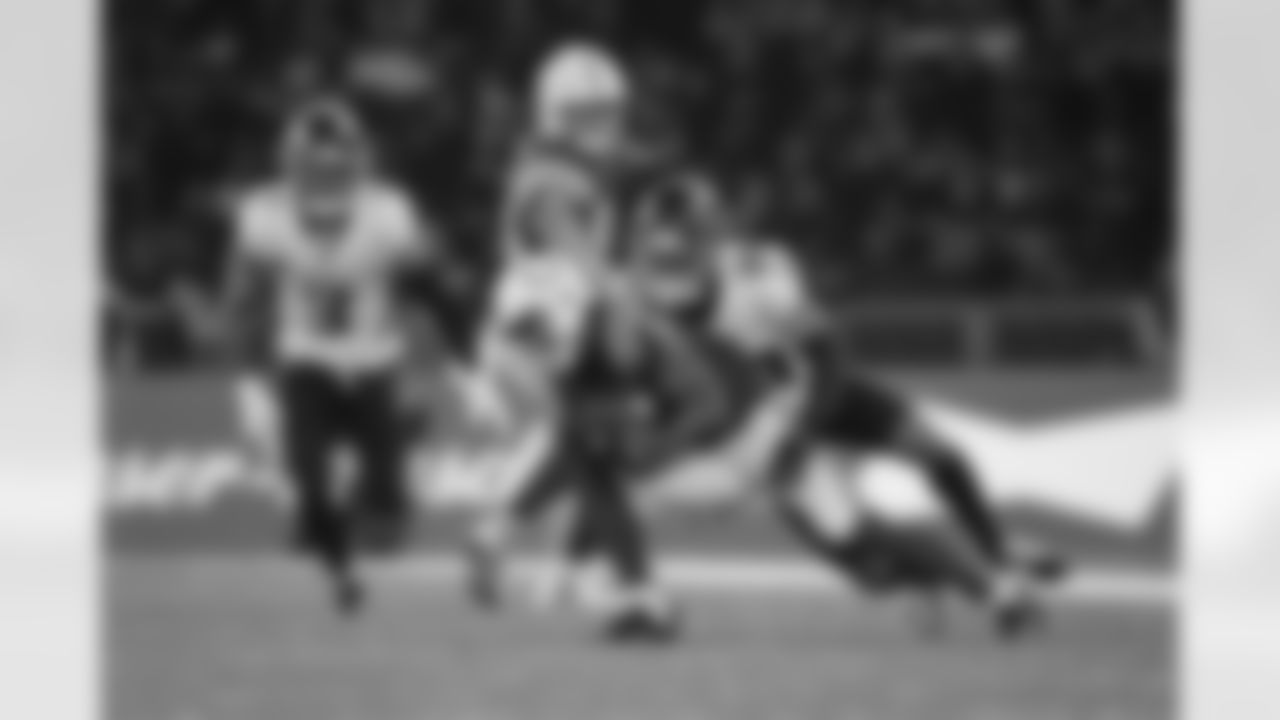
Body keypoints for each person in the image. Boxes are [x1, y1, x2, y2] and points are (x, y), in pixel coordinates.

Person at [223, 96, 442, 615]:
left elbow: (426, 295)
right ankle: (339, 566)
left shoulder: (389, 213)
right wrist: (248, 381)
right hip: (307, 361)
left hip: (376, 362)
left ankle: (370, 490)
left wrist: (433, 368)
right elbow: (243, 304)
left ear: (359, 163)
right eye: (314, 169)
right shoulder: (264, 216)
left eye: (336, 168)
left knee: (387, 519)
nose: (325, 180)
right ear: (292, 167)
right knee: (308, 482)